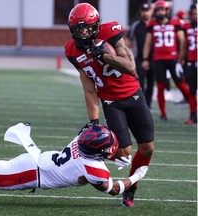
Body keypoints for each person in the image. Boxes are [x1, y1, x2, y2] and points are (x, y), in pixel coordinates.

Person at [0, 118, 148, 198]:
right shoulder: (93, 168)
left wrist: (108, 157)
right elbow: (113, 188)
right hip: (27, 174)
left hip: (34, 163)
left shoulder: (81, 140)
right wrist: (136, 175)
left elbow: (92, 154)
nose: (112, 151)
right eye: (109, 149)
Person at [64, 3, 154, 207]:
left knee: (147, 148)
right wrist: (94, 121)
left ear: (96, 25)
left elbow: (130, 67)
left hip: (134, 95)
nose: (83, 32)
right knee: (123, 153)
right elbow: (88, 87)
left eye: (87, 27)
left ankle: (131, 188)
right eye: (78, 28)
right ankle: (84, 153)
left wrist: (102, 55)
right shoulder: (72, 51)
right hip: (111, 102)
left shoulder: (110, 33)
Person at [142, 0, 191, 121]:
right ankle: (163, 114)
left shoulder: (175, 23)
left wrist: (182, 58)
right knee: (160, 86)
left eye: (162, 9)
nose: (160, 12)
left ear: (167, 10)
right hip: (158, 60)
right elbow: (147, 43)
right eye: (158, 10)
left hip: (173, 59)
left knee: (181, 85)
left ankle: (193, 109)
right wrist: (145, 59)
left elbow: (182, 41)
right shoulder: (152, 24)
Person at [127, 2, 155, 109]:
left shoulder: (154, 24)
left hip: (154, 58)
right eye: (143, 11)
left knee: (151, 82)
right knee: (140, 81)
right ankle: (142, 104)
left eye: (147, 10)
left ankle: (149, 105)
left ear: (151, 11)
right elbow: (129, 41)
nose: (145, 13)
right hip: (139, 58)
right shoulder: (136, 25)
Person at [183, 4, 197, 124]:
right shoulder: (187, 26)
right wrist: (179, 62)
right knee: (192, 90)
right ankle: (193, 116)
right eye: (194, 14)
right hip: (191, 62)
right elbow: (184, 45)